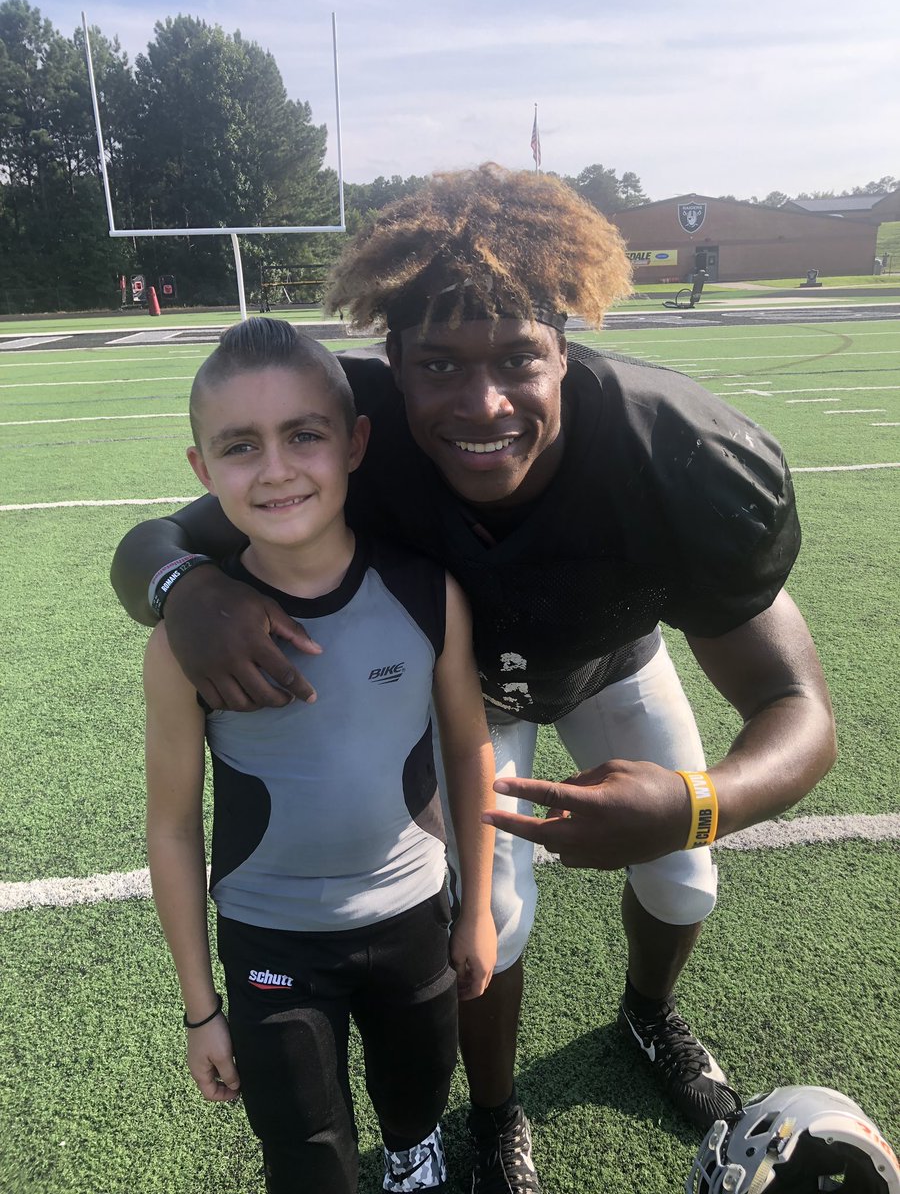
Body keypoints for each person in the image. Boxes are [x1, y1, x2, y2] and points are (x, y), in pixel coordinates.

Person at [117, 165, 837, 1194]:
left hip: (607, 663)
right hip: (461, 692)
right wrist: (184, 587)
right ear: (390, 368)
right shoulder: (347, 432)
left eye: (518, 360)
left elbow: (800, 710)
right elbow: (151, 544)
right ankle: (496, 1114)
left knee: (684, 874)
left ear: (565, 354)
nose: (481, 401)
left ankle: (648, 1012)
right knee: (491, 903)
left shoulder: (663, 453)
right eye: (440, 364)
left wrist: (695, 803)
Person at [143, 317, 497, 1194]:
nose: (275, 469)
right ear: (201, 470)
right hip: (272, 946)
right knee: (308, 1165)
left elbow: (467, 748)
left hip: (414, 920)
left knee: (416, 1127)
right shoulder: (186, 642)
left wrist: (478, 907)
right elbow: (173, 829)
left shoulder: (424, 594)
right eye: (240, 446)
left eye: (304, 435)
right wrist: (200, 1011)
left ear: (355, 443)